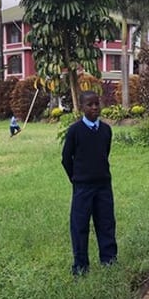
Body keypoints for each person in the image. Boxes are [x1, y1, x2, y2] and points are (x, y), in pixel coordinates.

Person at [61, 91, 117, 276]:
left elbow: (104, 153)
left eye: (96, 104)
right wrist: (76, 178)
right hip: (83, 187)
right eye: (89, 105)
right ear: (82, 107)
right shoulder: (75, 131)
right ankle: (80, 266)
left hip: (103, 185)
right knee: (80, 226)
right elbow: (66, 158)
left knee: (106, 223)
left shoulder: (106, 130)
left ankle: (109, 260)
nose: (94, 108)